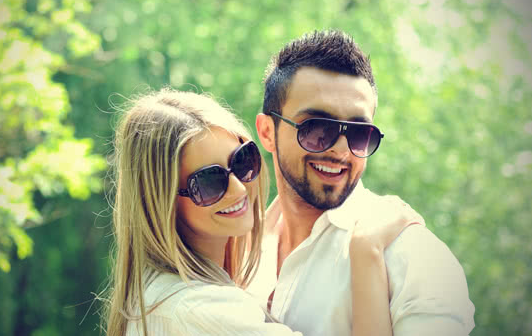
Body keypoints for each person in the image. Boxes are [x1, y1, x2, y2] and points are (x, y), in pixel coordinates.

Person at [103, 88, 424, 336]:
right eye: (210, 182)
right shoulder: (195, 309)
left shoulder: (157, 295)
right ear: (160, 203)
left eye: (242, 162)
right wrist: (366, 249)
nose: (240, 190)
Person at [250, 30, 476, 335]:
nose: (341, 150)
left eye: (359, 133)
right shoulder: (240, 246)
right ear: (267, 132)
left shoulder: (413, 257)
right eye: (317, 128)